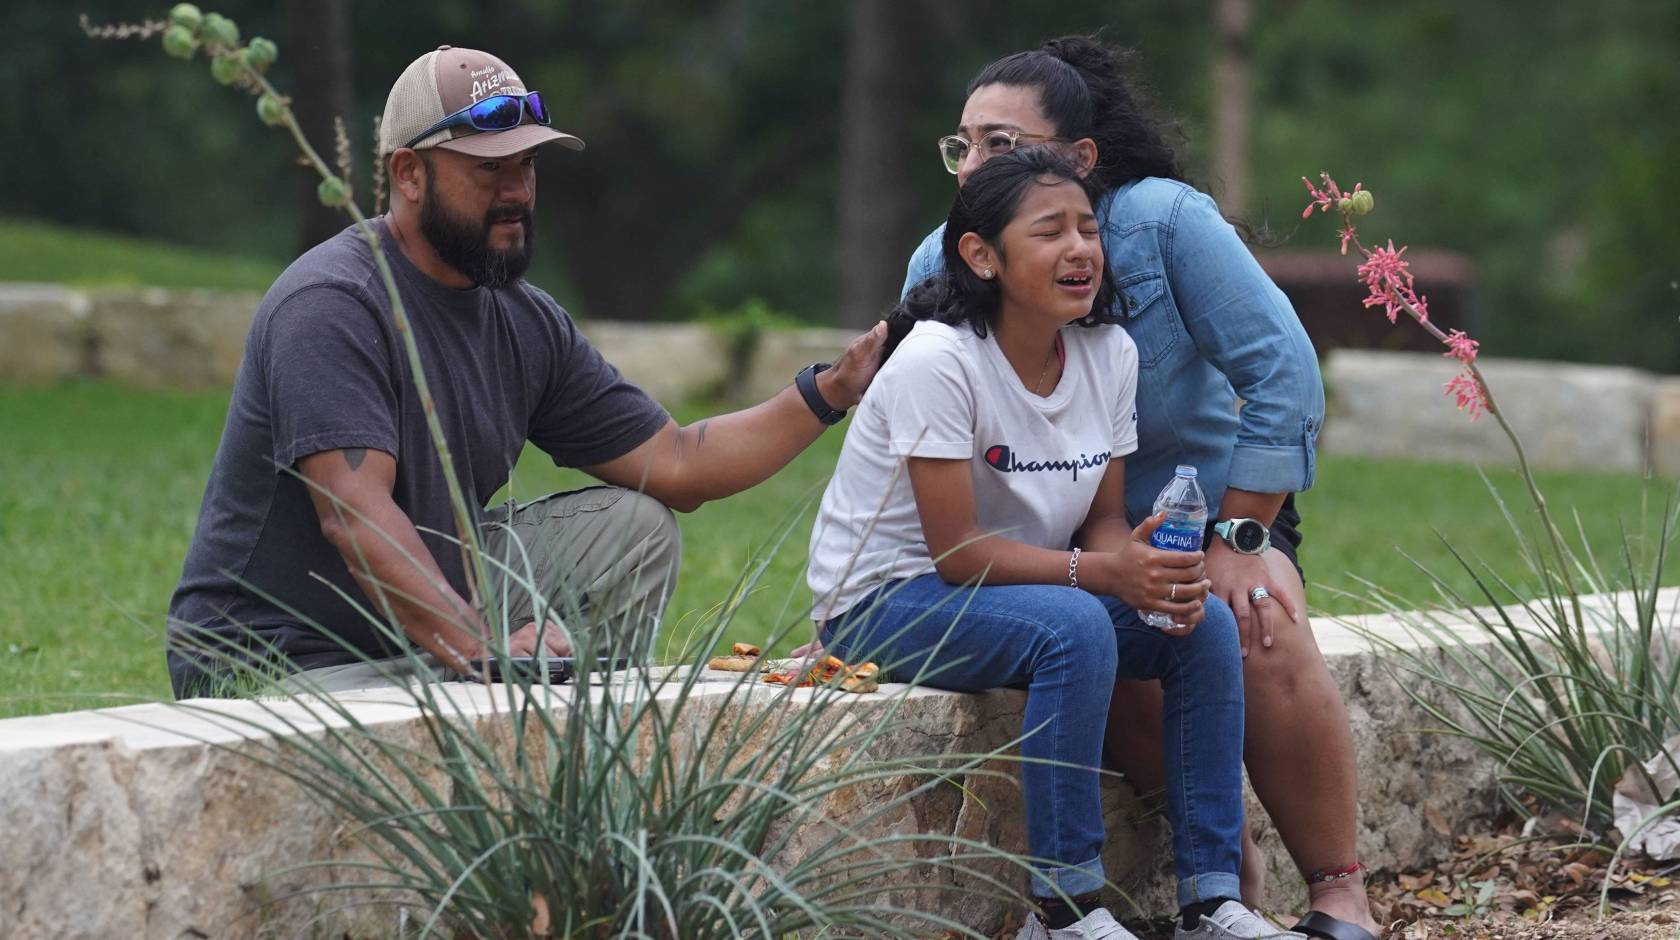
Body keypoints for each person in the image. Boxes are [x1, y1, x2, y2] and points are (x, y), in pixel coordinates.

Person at [165, 46, 884, 698]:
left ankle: (564, 767)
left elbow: (675, 464)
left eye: (527, 165)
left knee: (634, 526)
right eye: (489, 169)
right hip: (277, 658)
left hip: (421, 631)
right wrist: (484, 650)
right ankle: (498, 711)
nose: (517, 191)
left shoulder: (522, 319)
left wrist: (830, 391)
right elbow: (355, 516)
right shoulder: (332, 303)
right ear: (408, 174)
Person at [898, 36, 1377, 940]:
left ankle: (1339, 889)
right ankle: (1225, 872)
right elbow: (913, 441)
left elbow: (1283, 375)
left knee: (1255, 621)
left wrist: (1235, 543)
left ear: (1081, 158)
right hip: (1047, 536)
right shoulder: (942, 260)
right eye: (962, 145)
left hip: (1212, 512)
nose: (973, 166)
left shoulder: (1162, 223)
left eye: (1000, 145)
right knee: (1102, 644)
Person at [810, 148, 1276, 940]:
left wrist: (1141, 570)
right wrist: (1103, 575)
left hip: (1019, 587)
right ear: (982, 255)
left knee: (1202, 624)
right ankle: (1063, 910)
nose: (1080, 250)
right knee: (1075, 626)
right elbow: (955, 552)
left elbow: (1098, 517)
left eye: (1089, 230)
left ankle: (1211, 899)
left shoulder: (1109, 354)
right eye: (1050, 231)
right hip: (885, 601)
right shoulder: (938, 359)